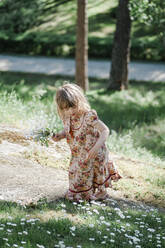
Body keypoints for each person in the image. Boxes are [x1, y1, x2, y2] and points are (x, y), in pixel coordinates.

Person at [52, 83, 121, 201]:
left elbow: (105, 130)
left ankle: (101, 192)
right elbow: (69, 129)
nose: (69, 111)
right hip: (78, 154)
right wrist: (60, 135)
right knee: (77, 175)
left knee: (96, 173)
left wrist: (96, 148)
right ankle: (81, 192)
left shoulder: (88, 115)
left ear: (79, 101)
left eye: (72, 107)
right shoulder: (68, 116)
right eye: (65, 108)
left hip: (95, 152)